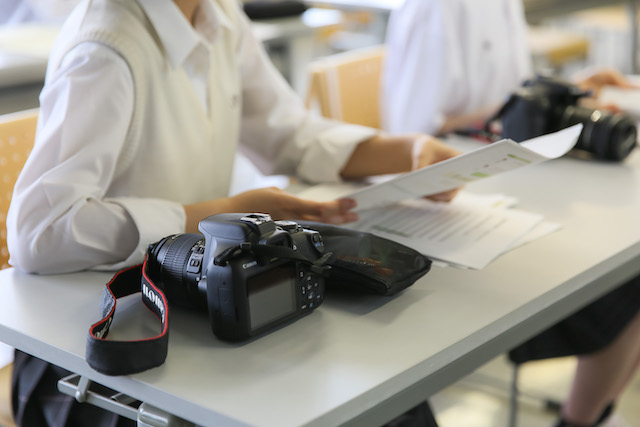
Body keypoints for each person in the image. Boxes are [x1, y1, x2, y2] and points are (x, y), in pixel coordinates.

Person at [4, 0, 460, 425]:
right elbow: (39, 231)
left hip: (200, 310)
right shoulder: (104, 47)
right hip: (98, 355)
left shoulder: (217, 14)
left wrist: (405, 152)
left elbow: (287, 134)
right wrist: (224, 213)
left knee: (385, 397)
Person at [382, 1, 640, 426]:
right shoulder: (434, 9)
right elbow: (413, 137)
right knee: (622, 279)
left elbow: (508, 98)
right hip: (451, 209)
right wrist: (519, 109)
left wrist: (561, 93)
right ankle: (583, 418)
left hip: (510, 186)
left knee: (627, 269)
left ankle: (590, 416)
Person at [382, 0, 637, 137]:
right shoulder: (436, 7)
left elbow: (513, 91)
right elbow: (412, 135)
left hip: (502, 159)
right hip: (453, 178)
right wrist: (526, 108)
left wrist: (569, 93)